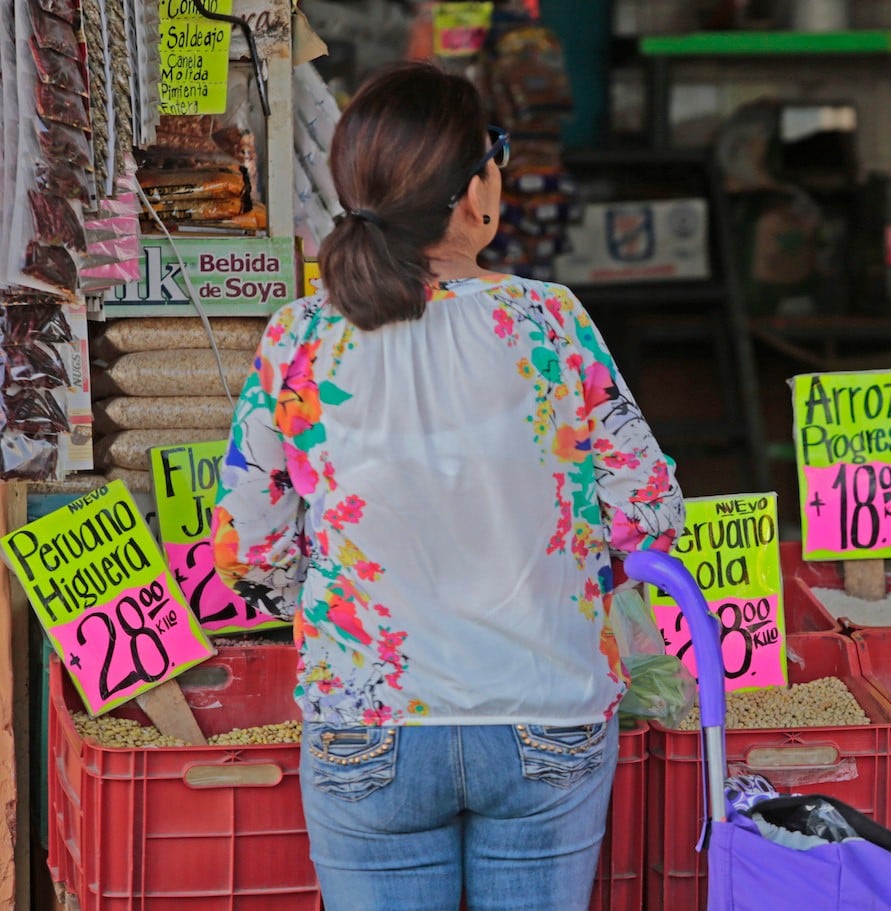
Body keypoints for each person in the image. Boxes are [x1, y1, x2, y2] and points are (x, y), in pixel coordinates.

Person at [212, 62, 685, 911]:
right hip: (548, 709)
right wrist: (564, 568)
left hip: (368, 719)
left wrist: (322, 593)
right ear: (475, 191)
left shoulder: (300, 338)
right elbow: (649, 508)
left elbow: (244, 546)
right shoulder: (550, 322)